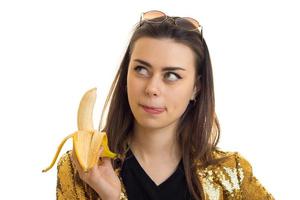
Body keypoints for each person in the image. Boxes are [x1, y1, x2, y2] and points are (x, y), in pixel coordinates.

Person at [56, 10, 275, 200]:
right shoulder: (81, 169)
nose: (152, 88)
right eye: (141, 69)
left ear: (196, 88)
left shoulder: (231, 174)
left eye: (171, 75)